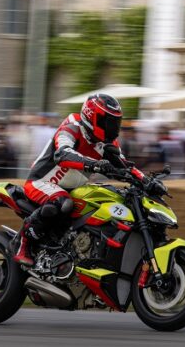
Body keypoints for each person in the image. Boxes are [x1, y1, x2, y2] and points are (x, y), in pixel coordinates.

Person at [13, 93, 146, 266]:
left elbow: (125, 166)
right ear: (93, 117)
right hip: (42, 183)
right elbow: (62, 153)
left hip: (72, 189)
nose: (113, 127)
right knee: (62, 203)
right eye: (109, 121)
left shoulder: (107, 143)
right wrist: (94, 164)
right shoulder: (72, 126)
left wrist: (147, 181)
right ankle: (22, 242)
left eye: (116, 122)